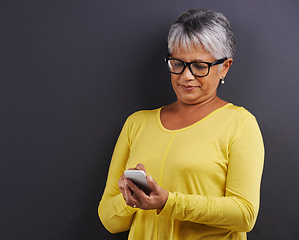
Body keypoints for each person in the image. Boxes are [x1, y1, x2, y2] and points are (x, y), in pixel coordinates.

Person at [98, 8, 264, 240]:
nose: (186, 76)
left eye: (199, 66)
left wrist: (168, 202)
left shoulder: (239, 124)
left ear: (224, 67)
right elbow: (110, 221)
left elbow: (245, 215)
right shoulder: (136, 123)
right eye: (177, 63)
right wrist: (133, 198)